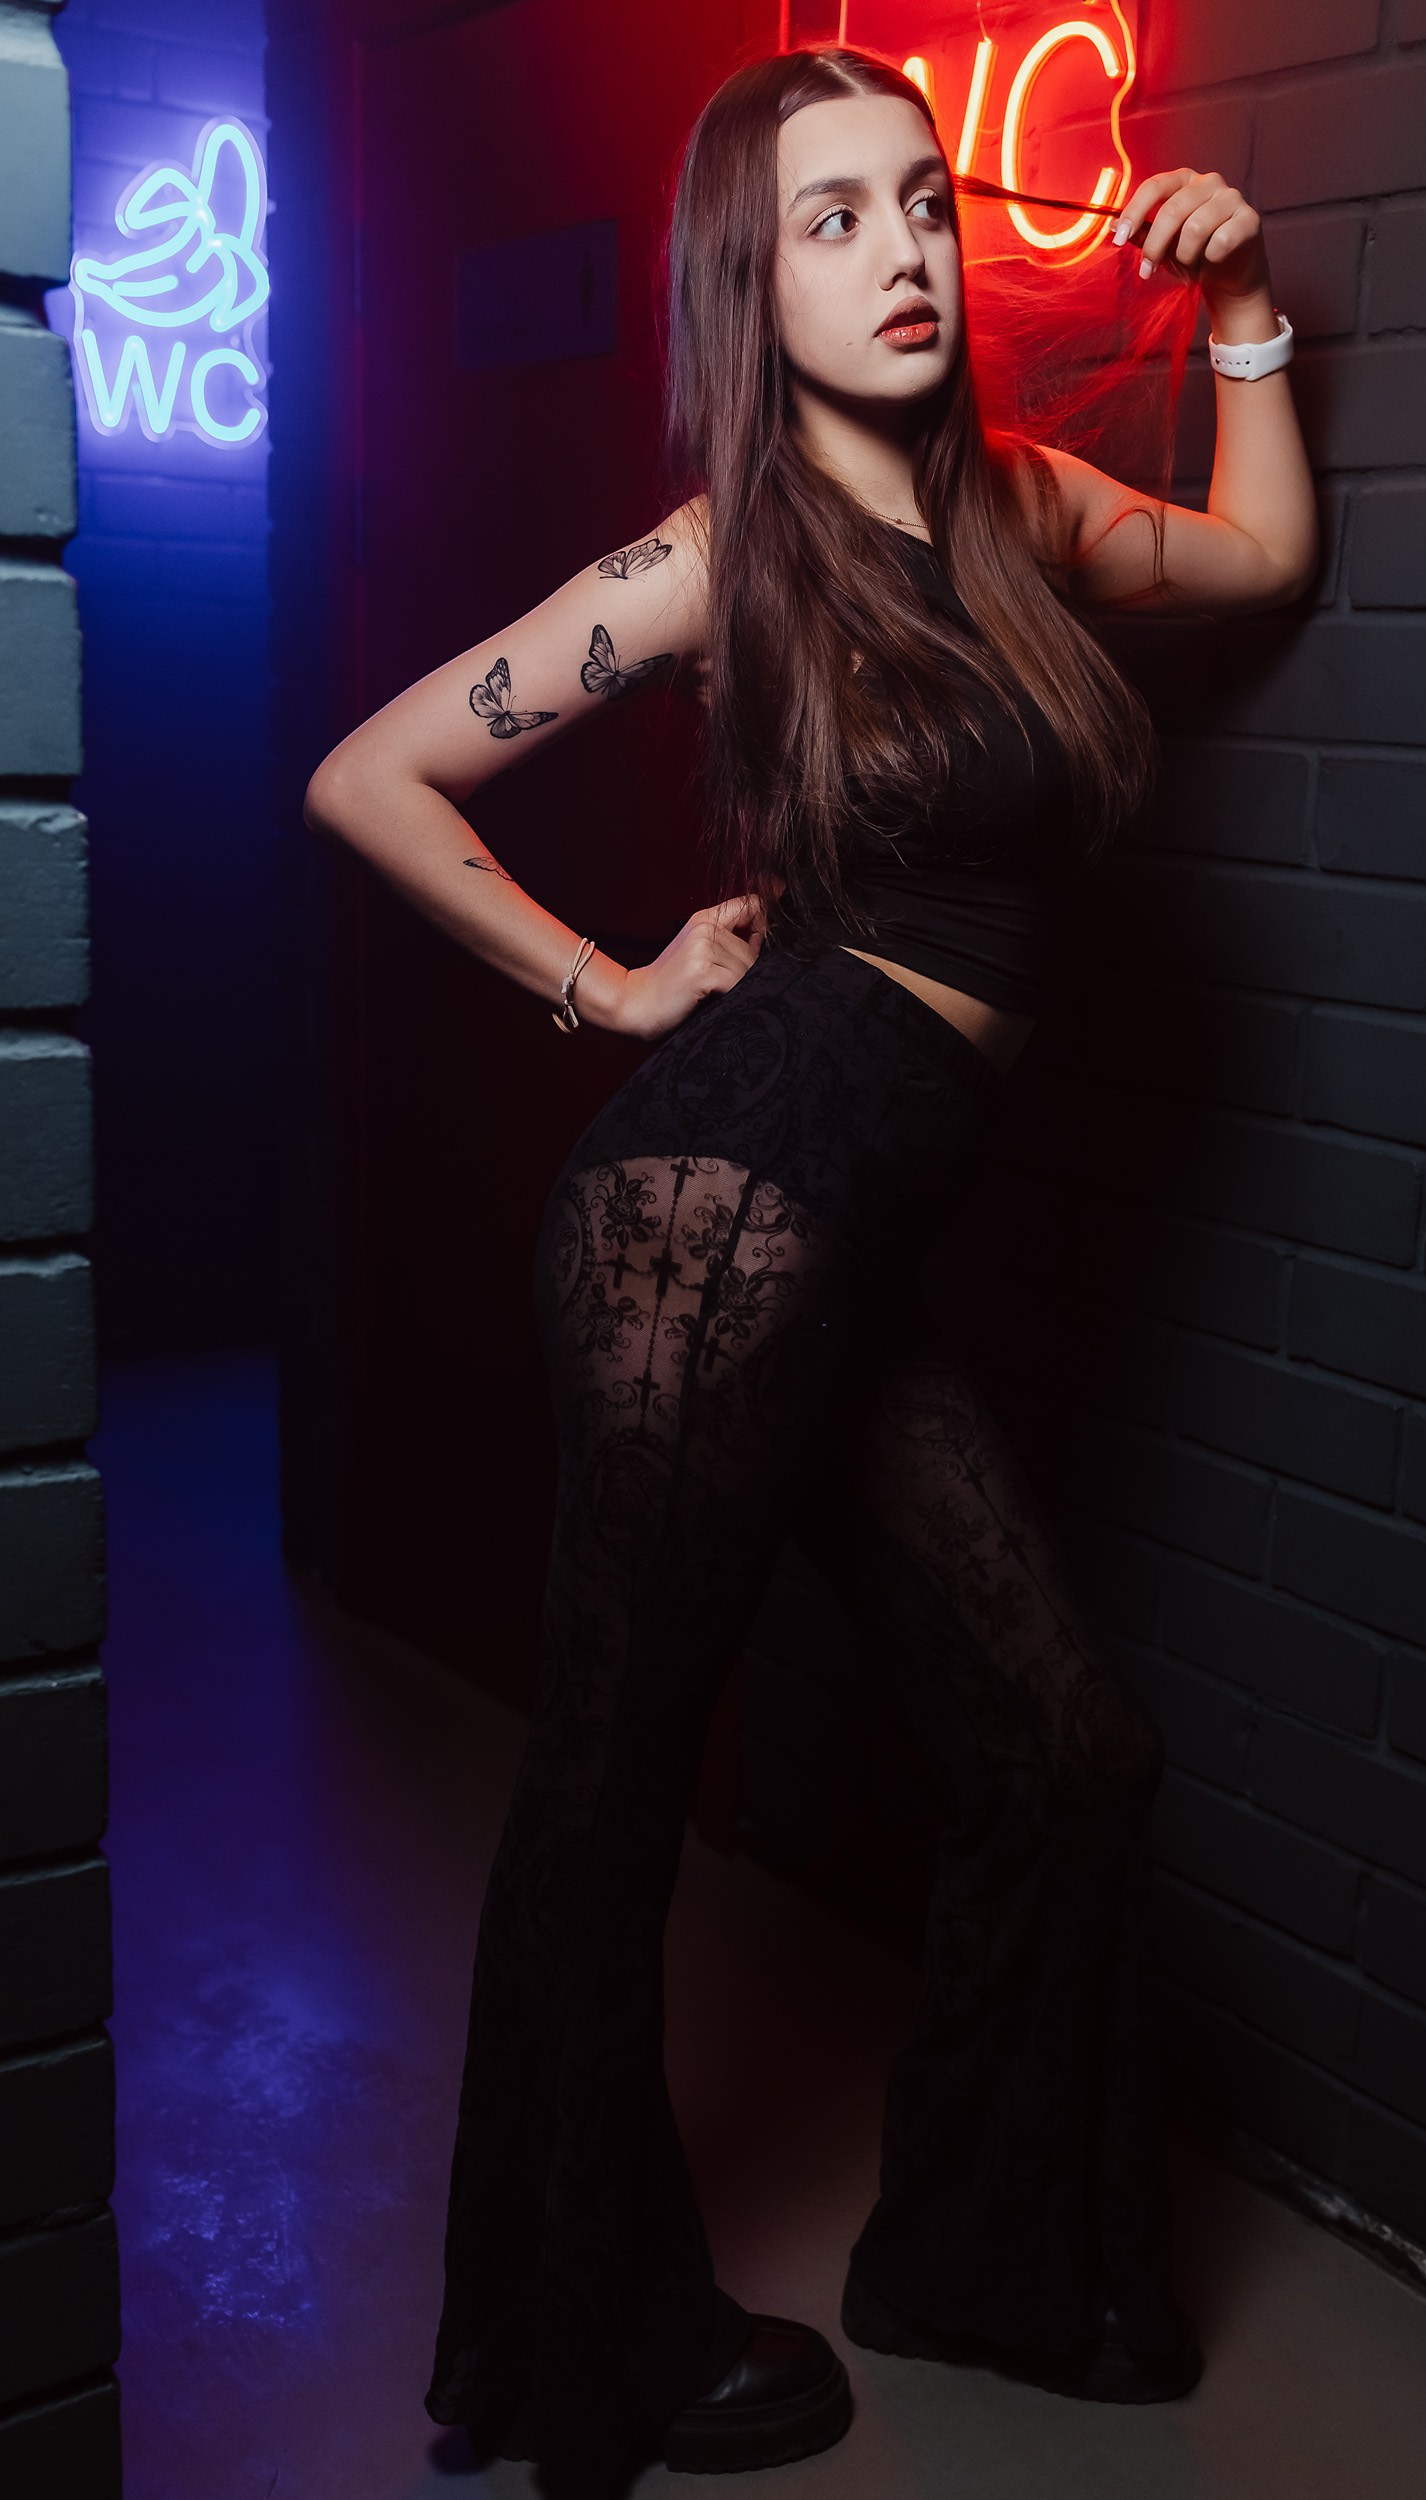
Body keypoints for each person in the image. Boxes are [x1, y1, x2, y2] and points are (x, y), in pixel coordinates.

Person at [304, 42, 1316, 2499]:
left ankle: (980, 2251)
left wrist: (1247, 319)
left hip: (852, 1241)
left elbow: (1258, 558)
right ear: (752, 290)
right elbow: (371, 772)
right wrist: (606, 981)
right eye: (832, 222)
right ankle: (584, 2343)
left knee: (1066, 1751)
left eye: (921, 202)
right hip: (718, 1219)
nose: (902, 254)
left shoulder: (1024, 506)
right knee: (607, 1791)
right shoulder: (716, 556)